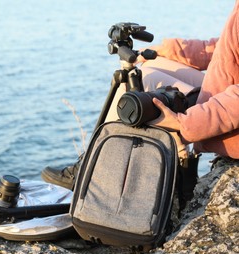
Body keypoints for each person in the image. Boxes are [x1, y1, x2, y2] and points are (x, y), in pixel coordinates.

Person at [41, 1, 239, 190]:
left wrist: (184, 124)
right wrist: (167, 50)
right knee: (152, 66)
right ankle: (106, 166)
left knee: (145, 78)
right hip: (226, 95)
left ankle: (93, 171)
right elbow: (224, 48)